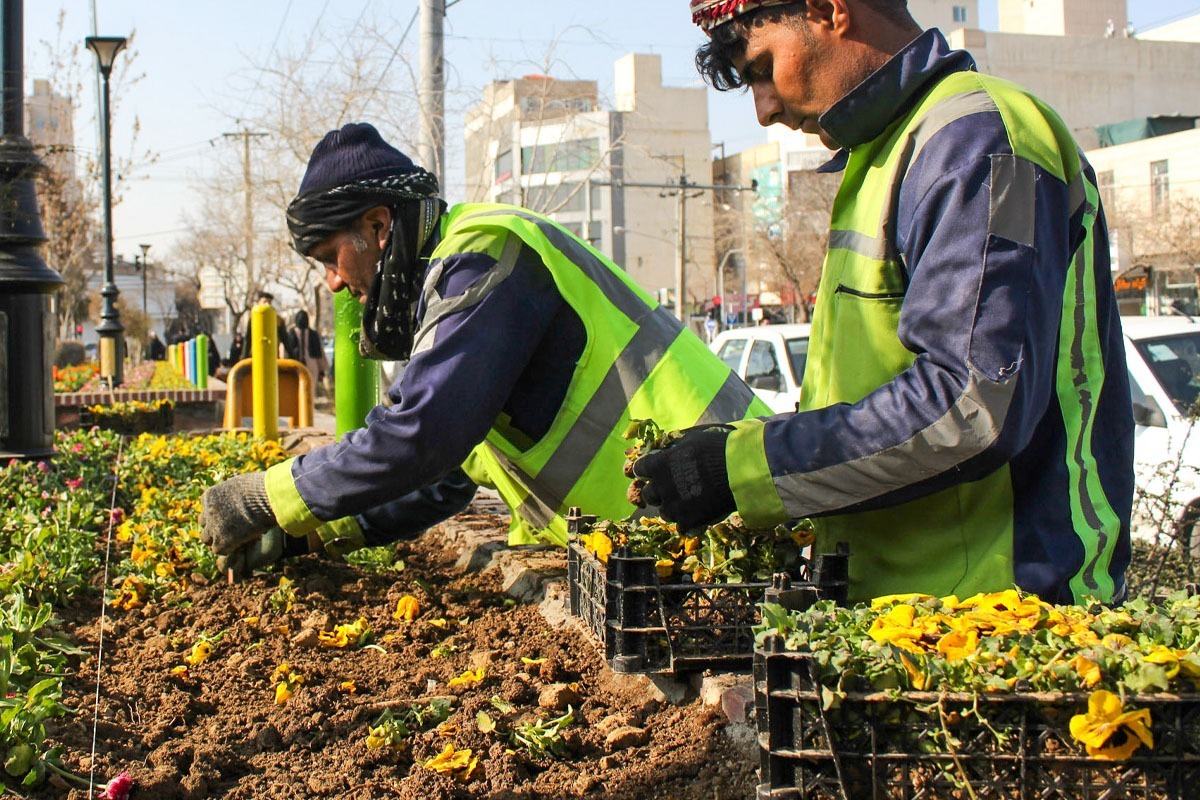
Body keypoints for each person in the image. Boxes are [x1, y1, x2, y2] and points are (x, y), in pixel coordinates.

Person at [631, 0, 1134, 606]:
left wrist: (742, 466)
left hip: (1008, 618)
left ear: (828, 10)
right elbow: (873, 397)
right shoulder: (886, 155)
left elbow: (971, 405)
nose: (763, 109)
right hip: (911, 612)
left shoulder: (976, 139)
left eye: (763, 69)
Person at [199, 122, 770, 576]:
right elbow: (448, 472)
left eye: (330, 258)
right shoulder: (454, 283)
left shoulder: (485, 252)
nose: (332, 282)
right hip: (676, 532)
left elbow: (424, 433)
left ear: (377, 228)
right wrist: (317, 531)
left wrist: (262, 498)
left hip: (730, 504)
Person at [288, 309, 330, 397]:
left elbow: (285, 351)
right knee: (310, 388)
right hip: (311, 364)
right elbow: (320, 353)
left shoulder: (291, 333)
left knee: (296, 388)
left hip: (295, 364)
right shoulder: (313, 334)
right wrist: (322, 369)